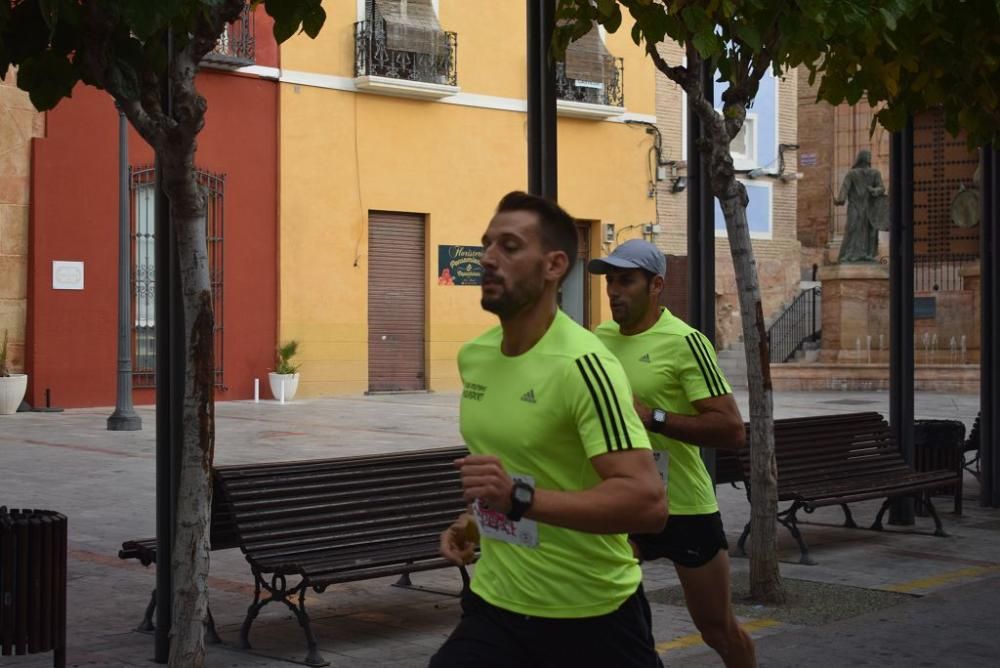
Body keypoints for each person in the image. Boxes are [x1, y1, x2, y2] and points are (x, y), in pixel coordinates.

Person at [430, 192, 668, 668]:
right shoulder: (475, 356)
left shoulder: (582, 364)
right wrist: (475, 520)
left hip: (590, 615)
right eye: (487, 244)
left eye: (510, 246)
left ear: (554, 264)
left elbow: (648, 503)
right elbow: (525, 469)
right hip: (496, 604)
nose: (489, 259)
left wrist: (519, 499)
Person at [589, 239, 756, 668]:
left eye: (626, 280)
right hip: (624, 502)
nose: (613, 291)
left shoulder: (686, 341)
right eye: (610, 281)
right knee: (594, 612)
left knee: (716, 628)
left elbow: (732, 429)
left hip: (683, 506)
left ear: (656, 284)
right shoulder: (598, 339)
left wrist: (654, 418)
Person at [834, 149, 887, 263]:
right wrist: (839, 200)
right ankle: (848, 254)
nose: (868, 158)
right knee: (852, 228)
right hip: (855, 206)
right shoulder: (852, 174)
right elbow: (844, 189)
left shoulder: (875, 173)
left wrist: (874, 190)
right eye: (866, 156)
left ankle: (868, 254)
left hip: (870, 207)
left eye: (869, 156)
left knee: (870, 230)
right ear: (861, 158)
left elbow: (882, 188)